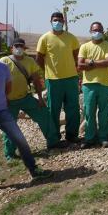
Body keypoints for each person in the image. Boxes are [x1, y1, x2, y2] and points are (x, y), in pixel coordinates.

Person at [0, 38, 52, 196]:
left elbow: (8, 87)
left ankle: (34, 170)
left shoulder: (3, 68)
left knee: (20, 139)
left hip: (2, 111)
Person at [0, 38, 61, 160]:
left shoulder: (30, 61)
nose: (19, 48)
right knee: (9, 126)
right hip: (8, 101)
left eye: (21, 46)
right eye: (16, 46)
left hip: (25, 97)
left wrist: (40, 98)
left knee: (44, 115)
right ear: (11, 48)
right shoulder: (3, 62)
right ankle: (10, 154)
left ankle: (53, 142)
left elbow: (36, 80)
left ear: (25, 48)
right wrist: (2, 99)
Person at [36, 12, 81, 143]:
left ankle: (72, 135)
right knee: (53, 110)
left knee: (73, 108)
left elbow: (76, 56)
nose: (58, 22)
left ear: (64, 22)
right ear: (50, 21)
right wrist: (46, 72)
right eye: (55, 20)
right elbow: (38, 58)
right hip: (53, 80)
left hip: (71, 79)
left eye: (61, 20)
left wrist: (77, 72)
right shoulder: (44, 38)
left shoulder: (71, 38)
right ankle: (54, 137)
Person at [78, 22, 108, 149]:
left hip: (104, 83)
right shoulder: (84, 47)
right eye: (94, 30)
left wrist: (90, 62)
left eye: (99, 30)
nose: (97, 32)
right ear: (90, 31)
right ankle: (89, 138)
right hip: (88, 85)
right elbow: (80, 65)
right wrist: (95, 63)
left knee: (104, 111)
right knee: (89, 112)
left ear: (103, 32)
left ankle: (104, 137)